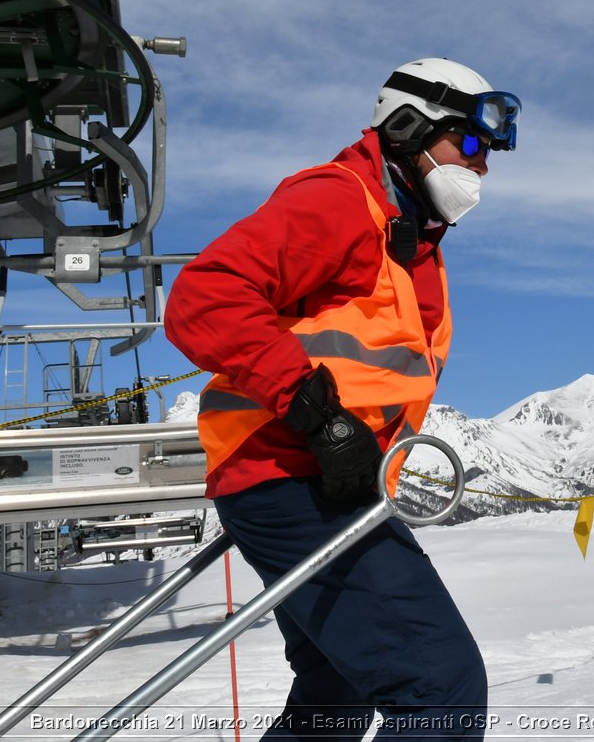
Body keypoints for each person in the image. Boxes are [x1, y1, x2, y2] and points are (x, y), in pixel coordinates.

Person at [163, 58, 519, 741]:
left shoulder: (408, 238)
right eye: (471, 145)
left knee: (340, 688)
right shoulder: (340, 198)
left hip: (318, 481)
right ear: (409, 128)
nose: (482, 167)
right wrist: (317, 413)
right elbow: (204, 295)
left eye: (490, 154)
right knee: (439, 690)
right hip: (289, 474)